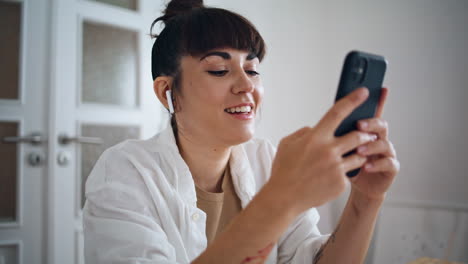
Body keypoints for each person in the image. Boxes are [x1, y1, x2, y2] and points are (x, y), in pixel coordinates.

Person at [82, 0, 400, 263]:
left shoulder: (266, 158)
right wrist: (282, 197)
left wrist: (368, 197)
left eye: (252, 69)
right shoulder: (124, 172)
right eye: (220, 70)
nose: (247, 85)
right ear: (168, 91)